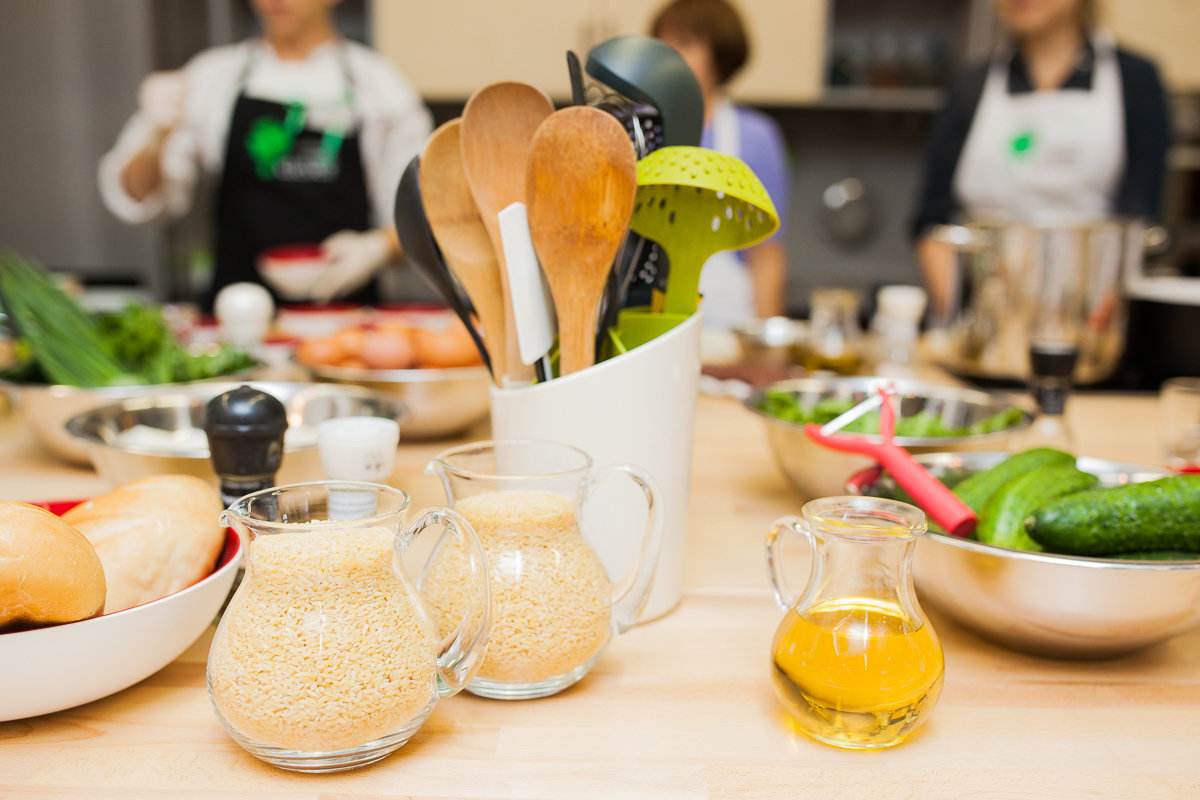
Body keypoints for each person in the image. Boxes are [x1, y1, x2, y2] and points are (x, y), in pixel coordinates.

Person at [99, 0, 432, 309]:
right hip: (236, 318)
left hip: (347, 320)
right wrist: (155, 138)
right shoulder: (211, 77)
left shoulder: (379, 85)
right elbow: (141, 196)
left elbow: (423, 215)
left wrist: (377, 249)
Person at [910, 0, 1170, 314]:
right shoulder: (968, 87)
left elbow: (1139, 220)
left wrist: (1095, 319)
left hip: (1090, 313)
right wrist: (961, 315)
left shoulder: (1135, 81)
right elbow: (933, 222)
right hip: (983, 312)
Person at [651, 0, 792, 329]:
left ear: (720, 55)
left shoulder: (757, 137)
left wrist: (766, 339)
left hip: (729, 328)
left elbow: (766, 256)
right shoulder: (641, 133)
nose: (668, 55)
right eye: (661, 42)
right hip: (651, 323)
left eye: (685, 42)